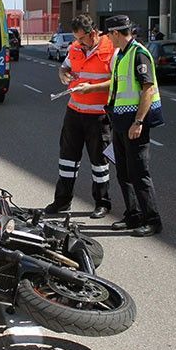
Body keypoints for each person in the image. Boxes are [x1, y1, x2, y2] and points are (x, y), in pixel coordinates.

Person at [76, 14, 164, 237]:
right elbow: (116, 85)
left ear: (116, 33)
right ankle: (133, 215)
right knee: (123, 173)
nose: (108, 38)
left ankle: (152, 220)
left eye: (110, 34)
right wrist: (91, 88)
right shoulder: (121, 55)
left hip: (135, 124)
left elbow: (148, 90)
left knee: (139, 173)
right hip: (120, 122)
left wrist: (139, 122)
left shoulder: (139, 55)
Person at [44, 14, 115, 219]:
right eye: (77, 39)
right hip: (74, 111)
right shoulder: (75, 47)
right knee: (67, 159)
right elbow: (64, 66)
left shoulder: (110, 48)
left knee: (99, 162)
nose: (79, 43)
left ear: (93, 33)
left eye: (82, 38)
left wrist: (91, 88)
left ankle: (102, 203)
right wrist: (63, 73)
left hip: (98, 115)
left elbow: (117, 80)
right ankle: (62, 201)